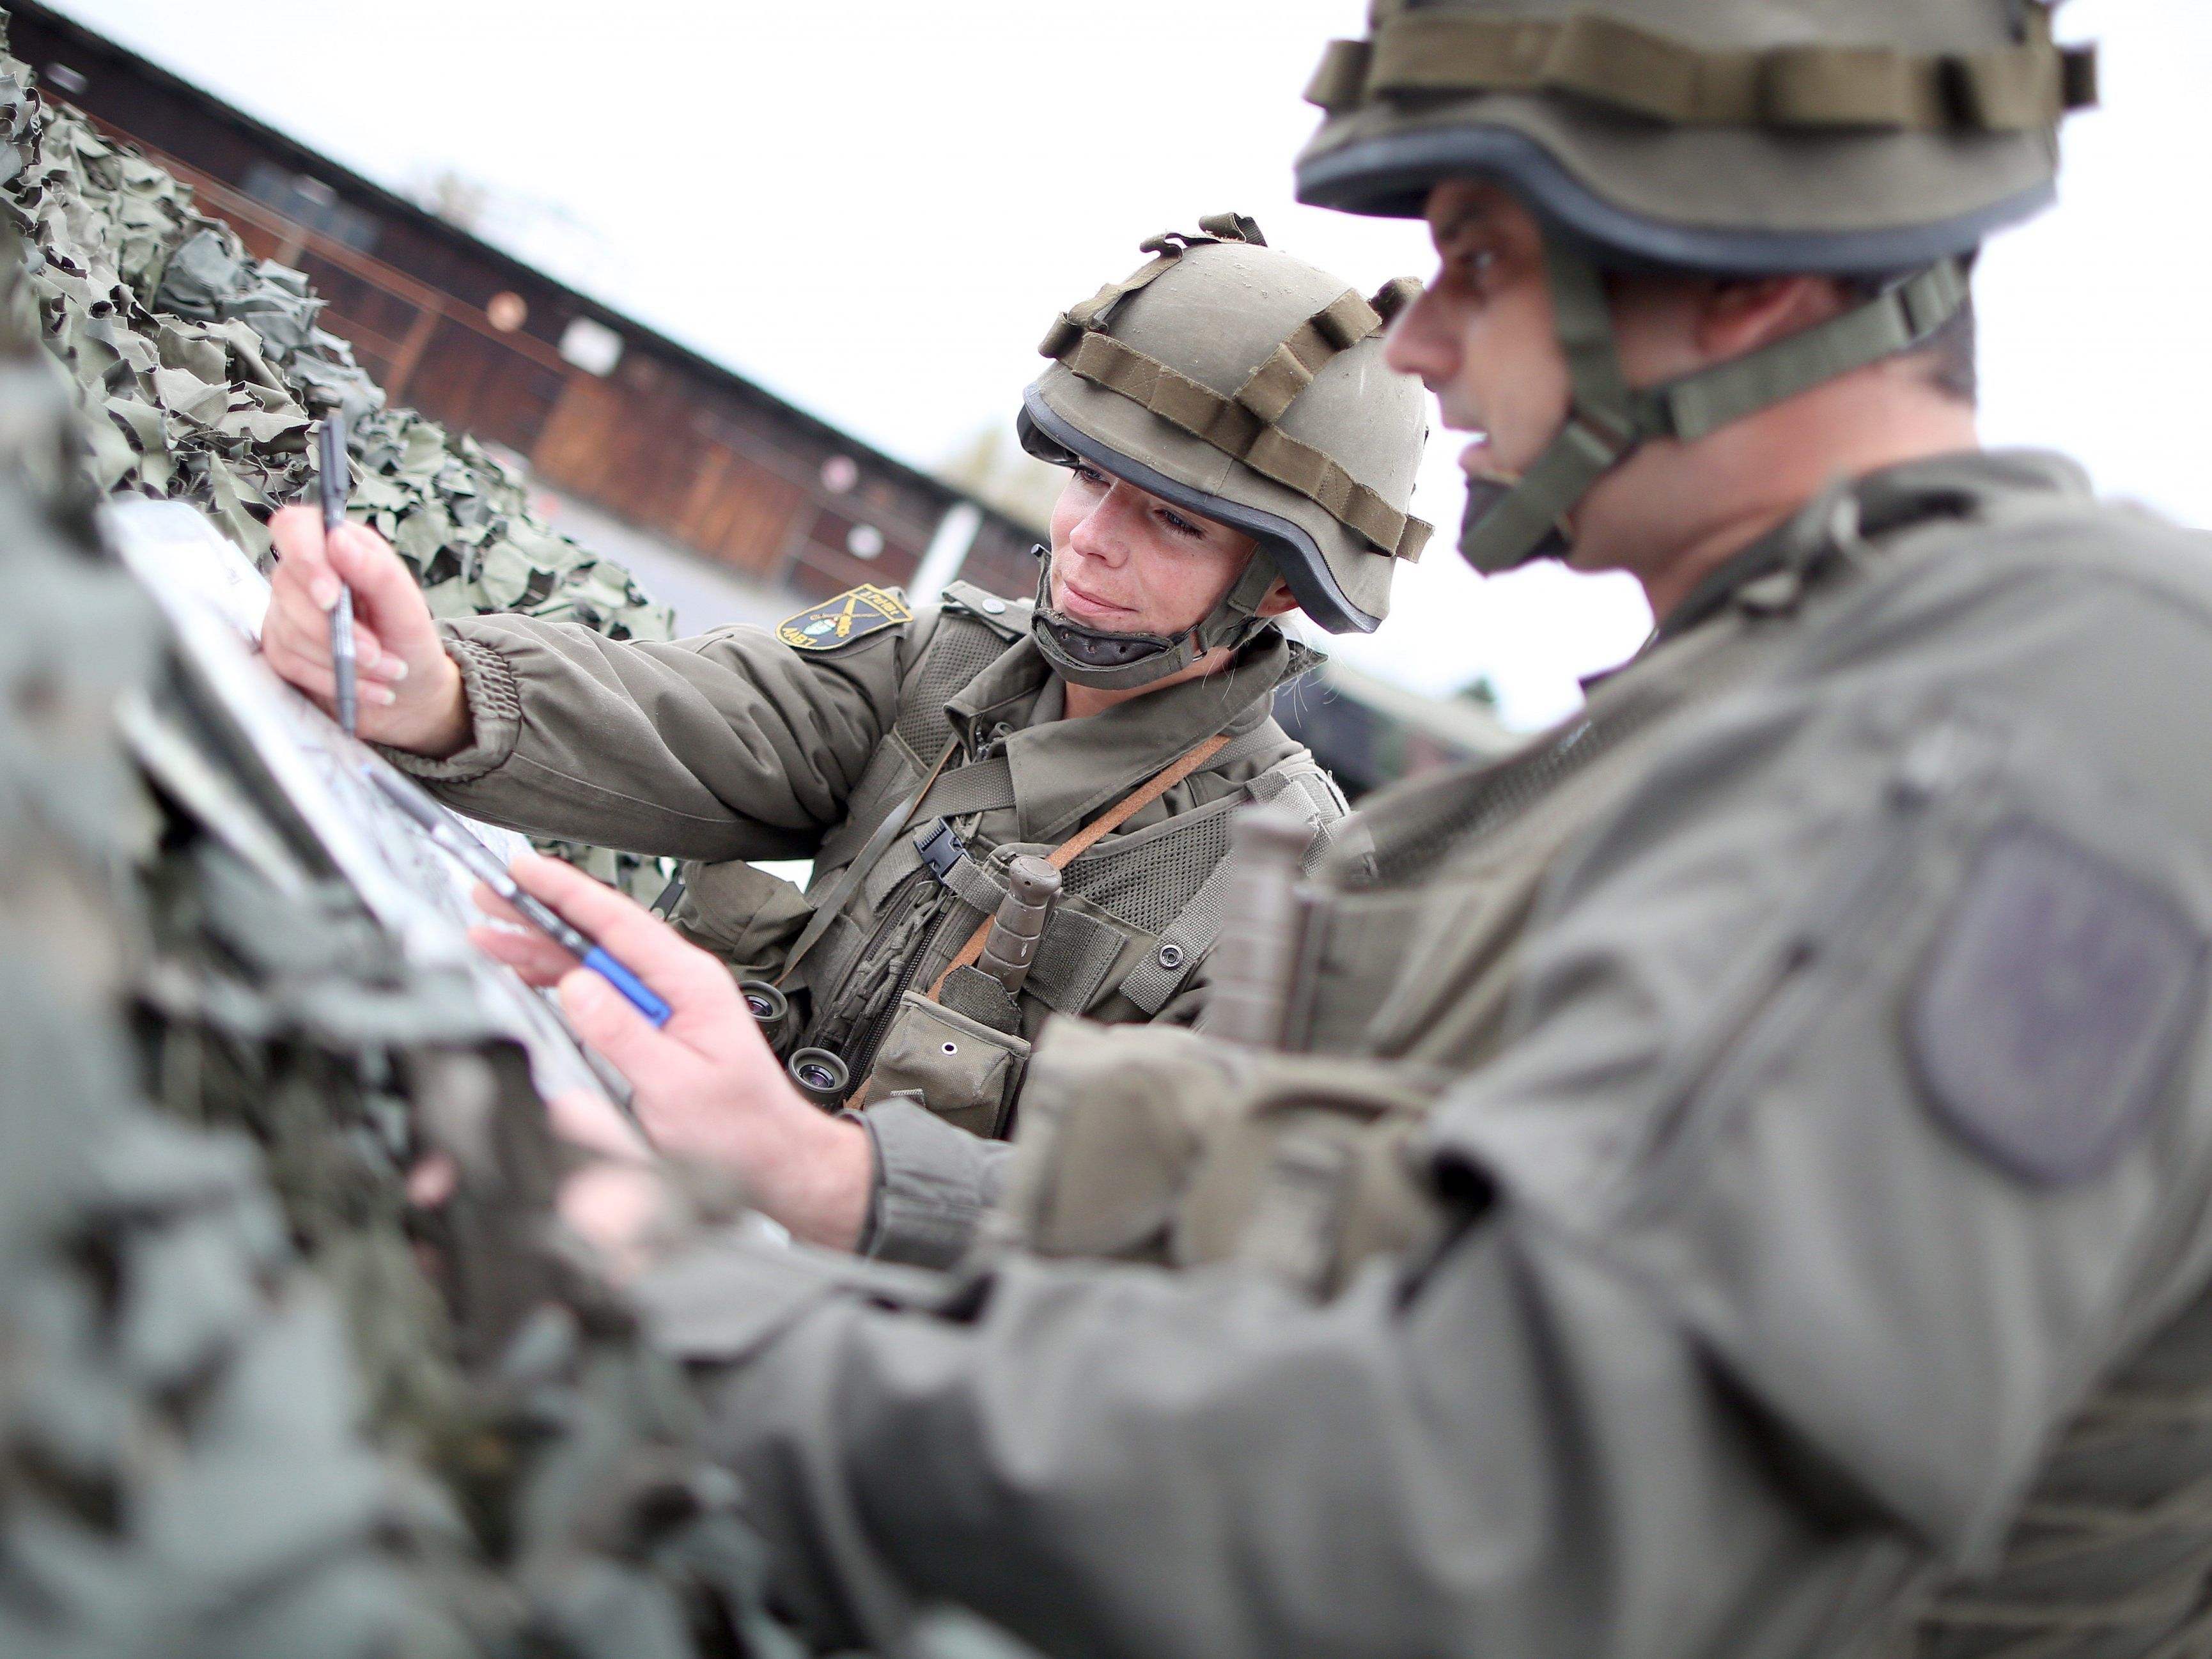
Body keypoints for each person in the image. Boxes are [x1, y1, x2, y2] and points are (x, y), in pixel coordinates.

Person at [472, 3, 2212, 1656]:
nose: (1428, 336)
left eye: (1479, 254)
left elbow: (1506, 1511)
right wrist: (829, 1177)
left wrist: (696, 1298)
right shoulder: (1774, 702)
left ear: (1748, 283)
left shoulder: (2041, 720)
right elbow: (1367, 1241)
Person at [258, 215, 1430, 1261]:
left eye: (1170, 519)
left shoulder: (1287, 891)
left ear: (1279, 587)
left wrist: (830, 1181)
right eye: (1088, 479)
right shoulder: (936, 666)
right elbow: (692, 717)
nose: (1088, 542)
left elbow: (1204, 1237)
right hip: (654, 1228)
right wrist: (433, 688)